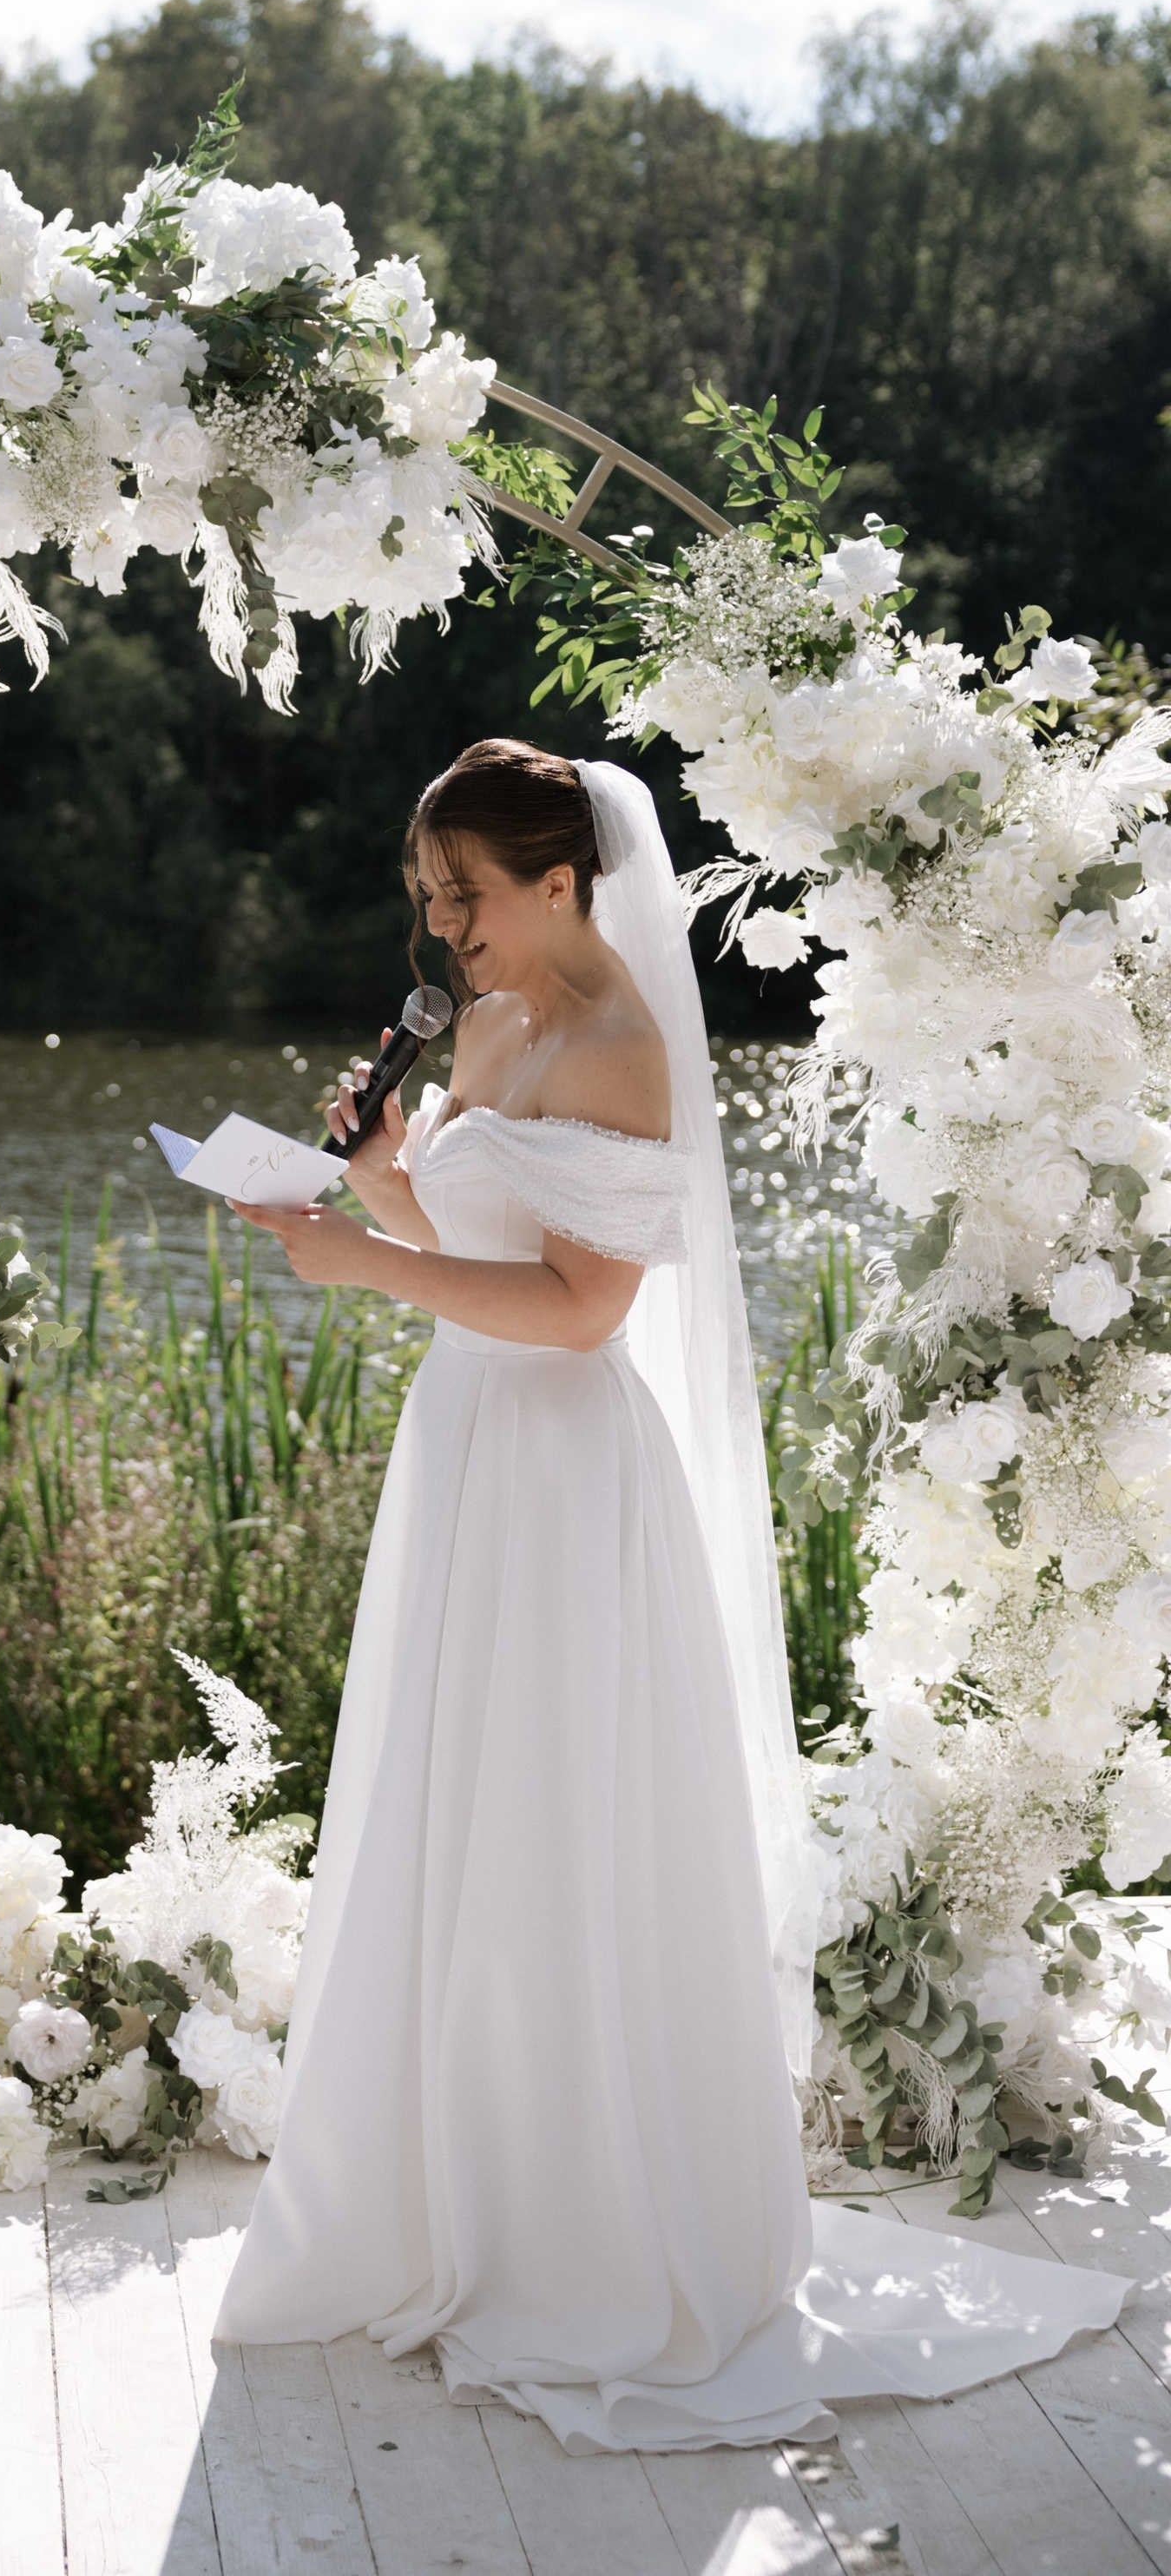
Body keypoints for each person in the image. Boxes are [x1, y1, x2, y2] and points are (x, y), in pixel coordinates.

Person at [215, 738, 1126, 2452]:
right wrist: (375, 1173)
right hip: (466, 1459)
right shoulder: (484, 1028)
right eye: (427, 900)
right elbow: (470, 1252)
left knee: (561, 1822)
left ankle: (585, 2234)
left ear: (558, 881)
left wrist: (363, 1257)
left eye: (464, 898)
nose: (443, 931)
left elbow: (576, 1313)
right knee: (453, 1810)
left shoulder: (625, 1047)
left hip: (569, 1476)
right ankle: (449, 2197)